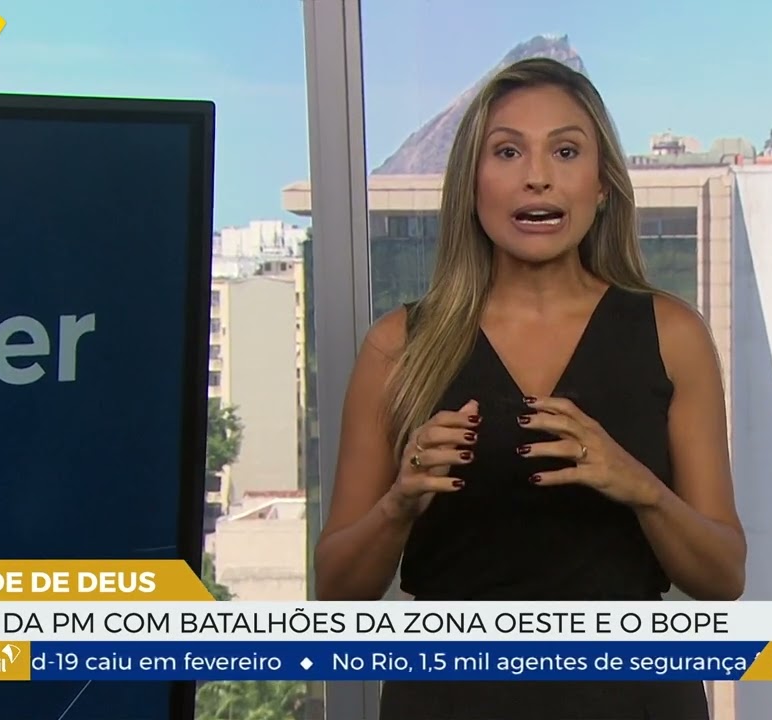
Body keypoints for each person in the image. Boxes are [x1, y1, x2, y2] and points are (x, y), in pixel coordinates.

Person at [312, 57, 747, 719]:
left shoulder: (672, 335)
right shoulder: (397, 348)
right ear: (472, 185)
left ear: (602, 185)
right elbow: (338, 591)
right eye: (508, 151)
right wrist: (398, 504)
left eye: (565, 151)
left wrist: (640, 487)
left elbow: (723, 577)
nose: (537, 176)